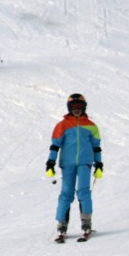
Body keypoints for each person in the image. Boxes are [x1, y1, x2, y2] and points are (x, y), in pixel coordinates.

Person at [45, 93, 102, 241]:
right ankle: (62, 224)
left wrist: (99, 163)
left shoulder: (91, 126)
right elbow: (55, 145)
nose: (77, 110)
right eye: (74, 107)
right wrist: (50, 162)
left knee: (83, 192)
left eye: (80, 107)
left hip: (85, 162)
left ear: (84, 108)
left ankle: (86, 222)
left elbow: (96, 147)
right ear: (69, 108)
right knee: (66, 194)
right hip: (67, 163)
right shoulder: (62, 125)